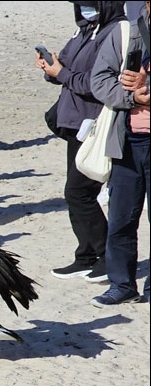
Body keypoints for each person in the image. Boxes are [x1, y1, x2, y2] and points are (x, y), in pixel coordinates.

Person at [37, 1, 129, 282]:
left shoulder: (116, 31)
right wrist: (51, 69)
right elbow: (65, 68)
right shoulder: (84, 30)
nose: (84, 9)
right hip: (75, 123)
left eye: (89, 4)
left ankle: (105, 256)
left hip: (95, 124)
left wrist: (61, 74)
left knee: (80, 192)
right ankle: (86, 255)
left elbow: (97, 84)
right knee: (77, 192)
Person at [90, 0, 150, 306]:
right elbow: (98, 80)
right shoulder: (125, 34)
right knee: (121, 218)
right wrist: (130, 95)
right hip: (127, 141)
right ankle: (122, 285)